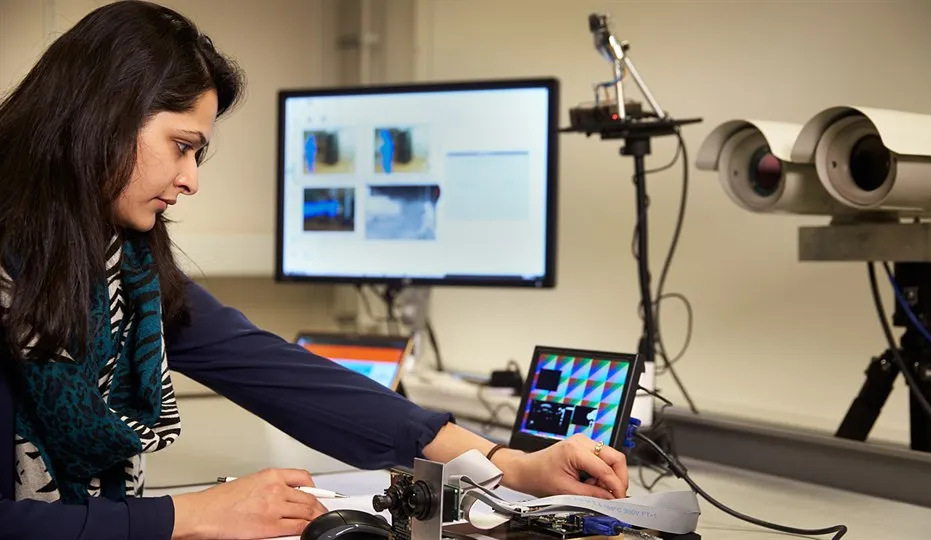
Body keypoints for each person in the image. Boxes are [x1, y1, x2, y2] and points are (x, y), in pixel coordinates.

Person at [0, 2, 630, 540]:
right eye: (182, 147)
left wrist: (503, 464)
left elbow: (286, 378)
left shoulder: (124, 270)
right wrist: (188, 516)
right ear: (101, 119)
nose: (191, 179)